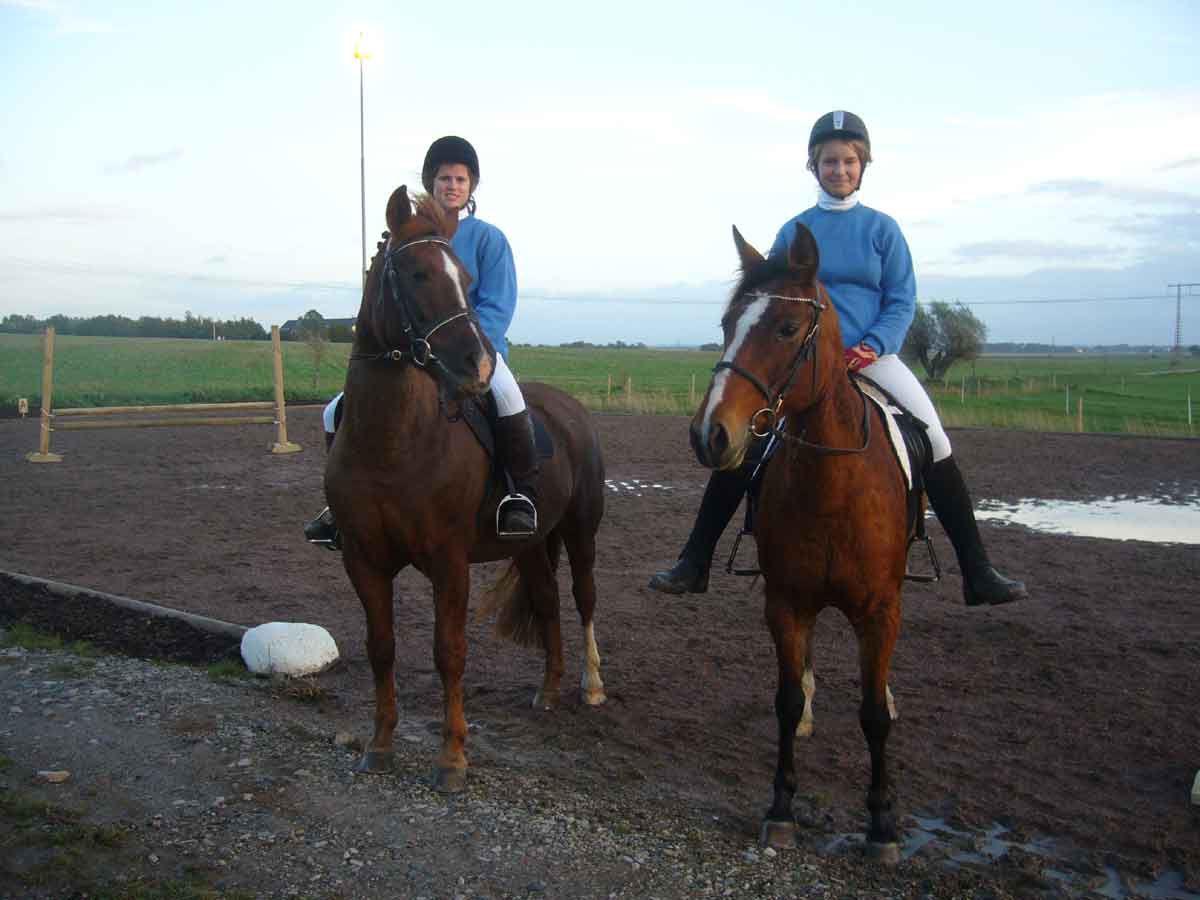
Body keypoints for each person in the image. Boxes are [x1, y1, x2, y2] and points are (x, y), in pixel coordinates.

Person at [648, 110, 1028, 608]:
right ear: (814, 166)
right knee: (752, 439)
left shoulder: (883, 230)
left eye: (849, 161)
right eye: (829, 161)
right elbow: (769, 296)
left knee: (934, 439)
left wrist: (871, 345)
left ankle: (977, 571)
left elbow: (901, 300)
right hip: (804, 364)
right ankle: (695, 559)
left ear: (862, 165)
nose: (840, 170)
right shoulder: (795, 229)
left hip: (871, 357)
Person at [305, 135, 539, 547]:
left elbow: (498, 305)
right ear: (432, 182)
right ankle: (341, 506)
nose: (452, 185)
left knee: (508, 399)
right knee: (333, 412)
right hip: (413, 352)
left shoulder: (489, 239)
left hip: (472, 351)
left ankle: (519, 493)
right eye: (445, 178)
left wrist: (467, 348)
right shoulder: (408, 236)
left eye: (461, 179)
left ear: (471, 186)